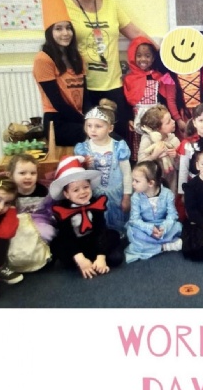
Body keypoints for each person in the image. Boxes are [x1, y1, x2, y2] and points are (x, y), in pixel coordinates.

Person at [65, 0, 152, 140]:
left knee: (120, 137)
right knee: (91, 139)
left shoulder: (110, 4)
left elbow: (134, 32)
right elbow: (56, 42)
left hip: (113, 84)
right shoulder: (64, 6)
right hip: (82, 86)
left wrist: (160, 52)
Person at [33, 0, 90, 146]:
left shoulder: (77, 57)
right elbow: (57, 102)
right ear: (50, 33)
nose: (65, 33)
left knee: (109, 134)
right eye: (58, 29)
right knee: (104, 136)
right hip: (57, 122)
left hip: (79, 119)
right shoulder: (43, 59)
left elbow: (86, 96)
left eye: (68, 28)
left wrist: (91, 118)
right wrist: (86, 122)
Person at [49, 155, 124, 278]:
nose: (83, 192)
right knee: (59, 247)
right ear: (66, 194)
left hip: (93, 239)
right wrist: (80, 259)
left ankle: (97, 260)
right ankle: (85, 262)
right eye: (76, 190)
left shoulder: (96, 203)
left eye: (86, 187)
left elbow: (100, 229)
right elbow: (67, 235)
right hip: (74, 242)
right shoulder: (62, 209)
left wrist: (101, 256)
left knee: (114, 241)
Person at [74, 100, 132, 235]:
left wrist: (126, 196)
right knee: (98, 224)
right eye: (89, 125)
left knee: (117, 225)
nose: (92, 130)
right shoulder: (83, 149)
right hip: (94, 194)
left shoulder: (119, 147)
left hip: (117, 194)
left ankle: (118, 238)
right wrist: (84, 165)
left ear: (110, 128)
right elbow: (79, 176)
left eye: (98, 126)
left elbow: (127, 173)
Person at [125, 161, 183, 263]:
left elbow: (172, 215)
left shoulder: (167, 194)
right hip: (144, 227)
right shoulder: (136, 197)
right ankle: (164, 246)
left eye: (137, 181)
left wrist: (164, 228)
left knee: (177, 226)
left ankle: (152, 246)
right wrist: (149, 229)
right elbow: (134, 219)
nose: (133, 184)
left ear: (151, 183)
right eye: (133, 180)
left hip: (162, 225)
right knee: (133, 232)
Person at [6, 154, 55, 272]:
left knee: (48, 232)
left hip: (38, 220)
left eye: (33, 173)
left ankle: (42, 256)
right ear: (11, 175)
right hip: (18, 221)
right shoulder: (9, 191)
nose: (28, 177)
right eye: (22, 173)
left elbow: (49, 208)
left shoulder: (42, 190)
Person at [123, 36, 167, 161]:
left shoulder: (158, 76)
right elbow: (126, 101)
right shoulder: (129, 79)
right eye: (139, 56)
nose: (143, 59)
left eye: (147, 56)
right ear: (133, 56)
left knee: (156, 143)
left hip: (156, 117)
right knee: (140, 148)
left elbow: (163, 98)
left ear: (153, 58)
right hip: (138, 119)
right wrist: (129, 118)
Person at [161, 46, 203, 140]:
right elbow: (171, 100)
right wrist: (178, 119)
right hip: (184, 116)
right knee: (187, 140)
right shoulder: (172, 76)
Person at [0, 176, 22, 298]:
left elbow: (6, 232)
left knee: (1, 237)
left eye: (7, 203)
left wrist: (11, 209)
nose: (1, 207)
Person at [138, 105, 180, 194]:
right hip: (150, 186)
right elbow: (140, 164)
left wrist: (176, 156)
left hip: (170, 183)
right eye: (168, 122)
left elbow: (179, 166)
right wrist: (154, 156)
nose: (173, 122)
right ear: (157, 128)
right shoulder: (147, 139)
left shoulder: (174, 140)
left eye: (171, 119)